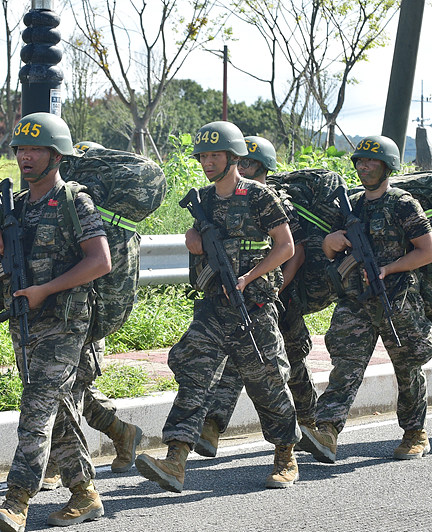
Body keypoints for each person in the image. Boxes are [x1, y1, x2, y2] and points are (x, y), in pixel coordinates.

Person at [135, 121, 301, 492]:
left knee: (268, 380)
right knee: (194, 375)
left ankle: (285, 453)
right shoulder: (205, 200)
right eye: (204, 156)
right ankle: (175, 459)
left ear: (233, 158)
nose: (207, 162)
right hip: (212, 308)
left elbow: (285, 247)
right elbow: (199, 240)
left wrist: (249, 277)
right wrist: (191, 237)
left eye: (215, 156)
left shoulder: (259, 196)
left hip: (253, 307)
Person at [0, 113, 111, 530]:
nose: (25, 157)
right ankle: (84, 493)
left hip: (65, 324)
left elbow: (99, 261)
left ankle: (17, 499)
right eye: (21, 150)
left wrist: (46, 290)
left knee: (35, 410)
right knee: (59, 407)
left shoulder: (74, 201)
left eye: (35, 150)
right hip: (24, 322)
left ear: (56, 155)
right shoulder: (15, 208)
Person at [300, 135, 432, 463]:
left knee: (407, 367)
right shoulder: (351, 204)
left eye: (371, 161)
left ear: (387, 165)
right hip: (356, 299)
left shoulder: (402, 203)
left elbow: (428, 251)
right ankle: (327, 431)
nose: (364, 167)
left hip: (398, 299)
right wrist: (331, 241)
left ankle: (415, 432)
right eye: (360, 161)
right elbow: (329, 249)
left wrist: (389, 269)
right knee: (346, 365)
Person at [194, 135, 318, 459]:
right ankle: (212, 425)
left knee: (286, 364)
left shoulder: (274, 201)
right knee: (240, 361)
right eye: (241, 161)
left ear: (263, 167)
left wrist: (272, 284)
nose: (243, 168)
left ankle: (310, 423)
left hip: (278, 295)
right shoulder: (228, 198)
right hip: (245, 295)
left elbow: (294, 250)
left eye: (249, 163)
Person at [41, 141, 143, 491]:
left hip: (88, 312)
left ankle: (58, 465)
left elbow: (107, 272)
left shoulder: (101, 214)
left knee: (69, 391)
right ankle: (122, 432)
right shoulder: (64, 204)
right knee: (72, 390)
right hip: (65, 312)